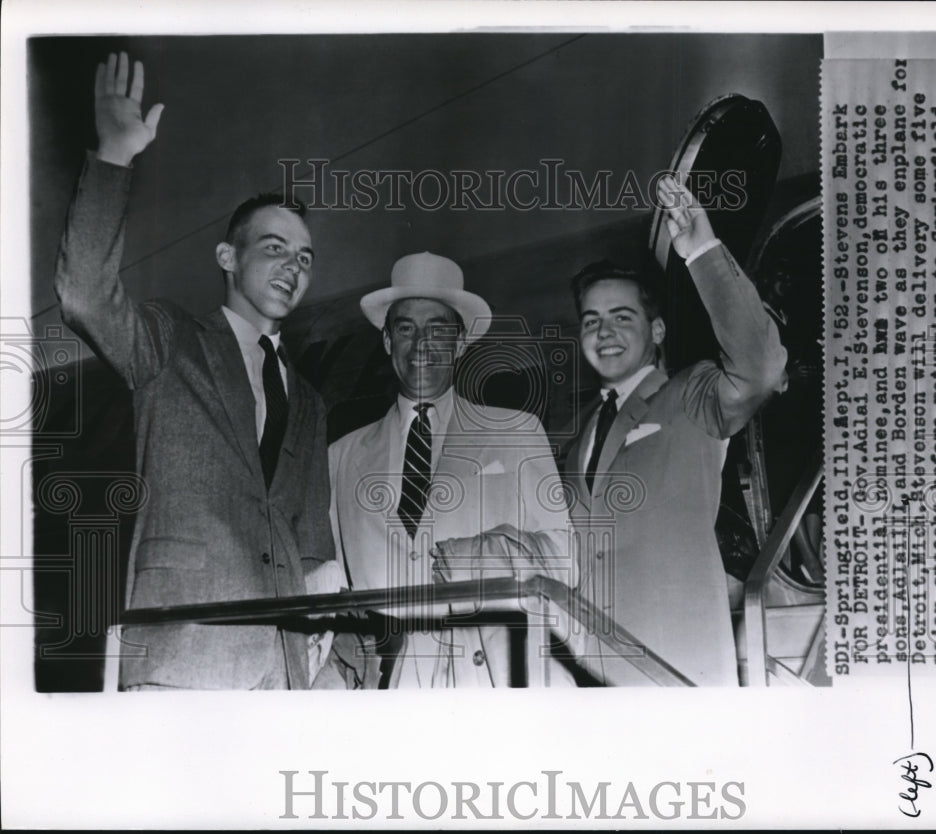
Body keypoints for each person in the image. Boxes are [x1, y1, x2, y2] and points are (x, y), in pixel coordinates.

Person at [54, 52, 345, 689]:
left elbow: (311, 538)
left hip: (285, 668)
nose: (293, 267)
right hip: (185, 651)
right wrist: (114, 157)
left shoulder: (312, 401)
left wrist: (324, 620)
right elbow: (83, 294)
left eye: (304, 257)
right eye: (273, 248)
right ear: (226, 257)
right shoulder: (169, 341)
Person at [563, 174, 787, 686]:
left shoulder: (691, 394)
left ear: (656, 331)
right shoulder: (576, 439)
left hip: (681, 670)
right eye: (591, 320)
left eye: (622, 317)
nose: (605, 332)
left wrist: (701, 250)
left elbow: (761, 367)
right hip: (597, 679)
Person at [326, 252, 578, 687]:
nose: (420, 344)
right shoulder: (342, 457)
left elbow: (564, 558)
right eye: (405, 328)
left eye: (438, 330)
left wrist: (466, 561)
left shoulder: (516, 431)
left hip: (493, 676)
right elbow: (332, 586)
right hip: (391, 686)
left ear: (461, 343)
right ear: (387, 342)